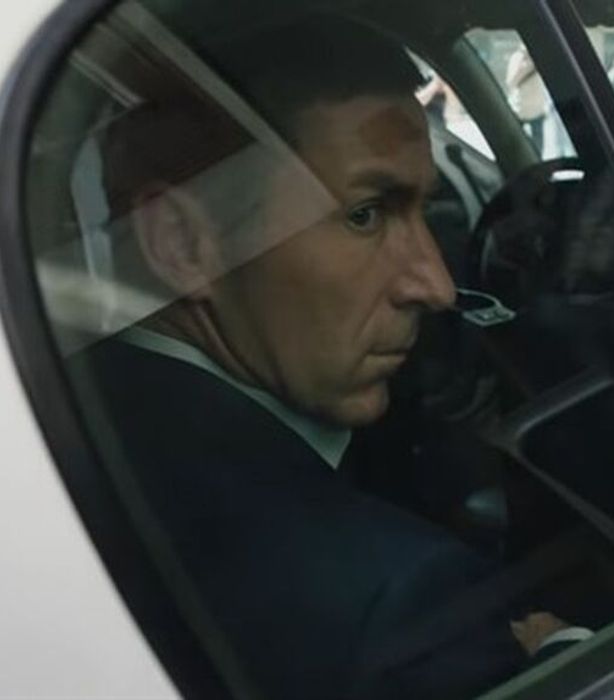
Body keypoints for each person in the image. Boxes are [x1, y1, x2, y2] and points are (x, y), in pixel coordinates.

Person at [73, 14, 579, 700]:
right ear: (183, 244)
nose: (435, 286)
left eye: (424, 211)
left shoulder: (73, 407)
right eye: (365, 215)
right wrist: (562, 654)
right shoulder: (400, 611)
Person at [505, 46, 548, 156]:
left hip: (537, 109)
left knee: (538, 146)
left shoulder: (541, 58)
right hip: (519, 109)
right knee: (514, 143)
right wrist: (525, 67)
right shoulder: (517, 58)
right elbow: (511, 82)